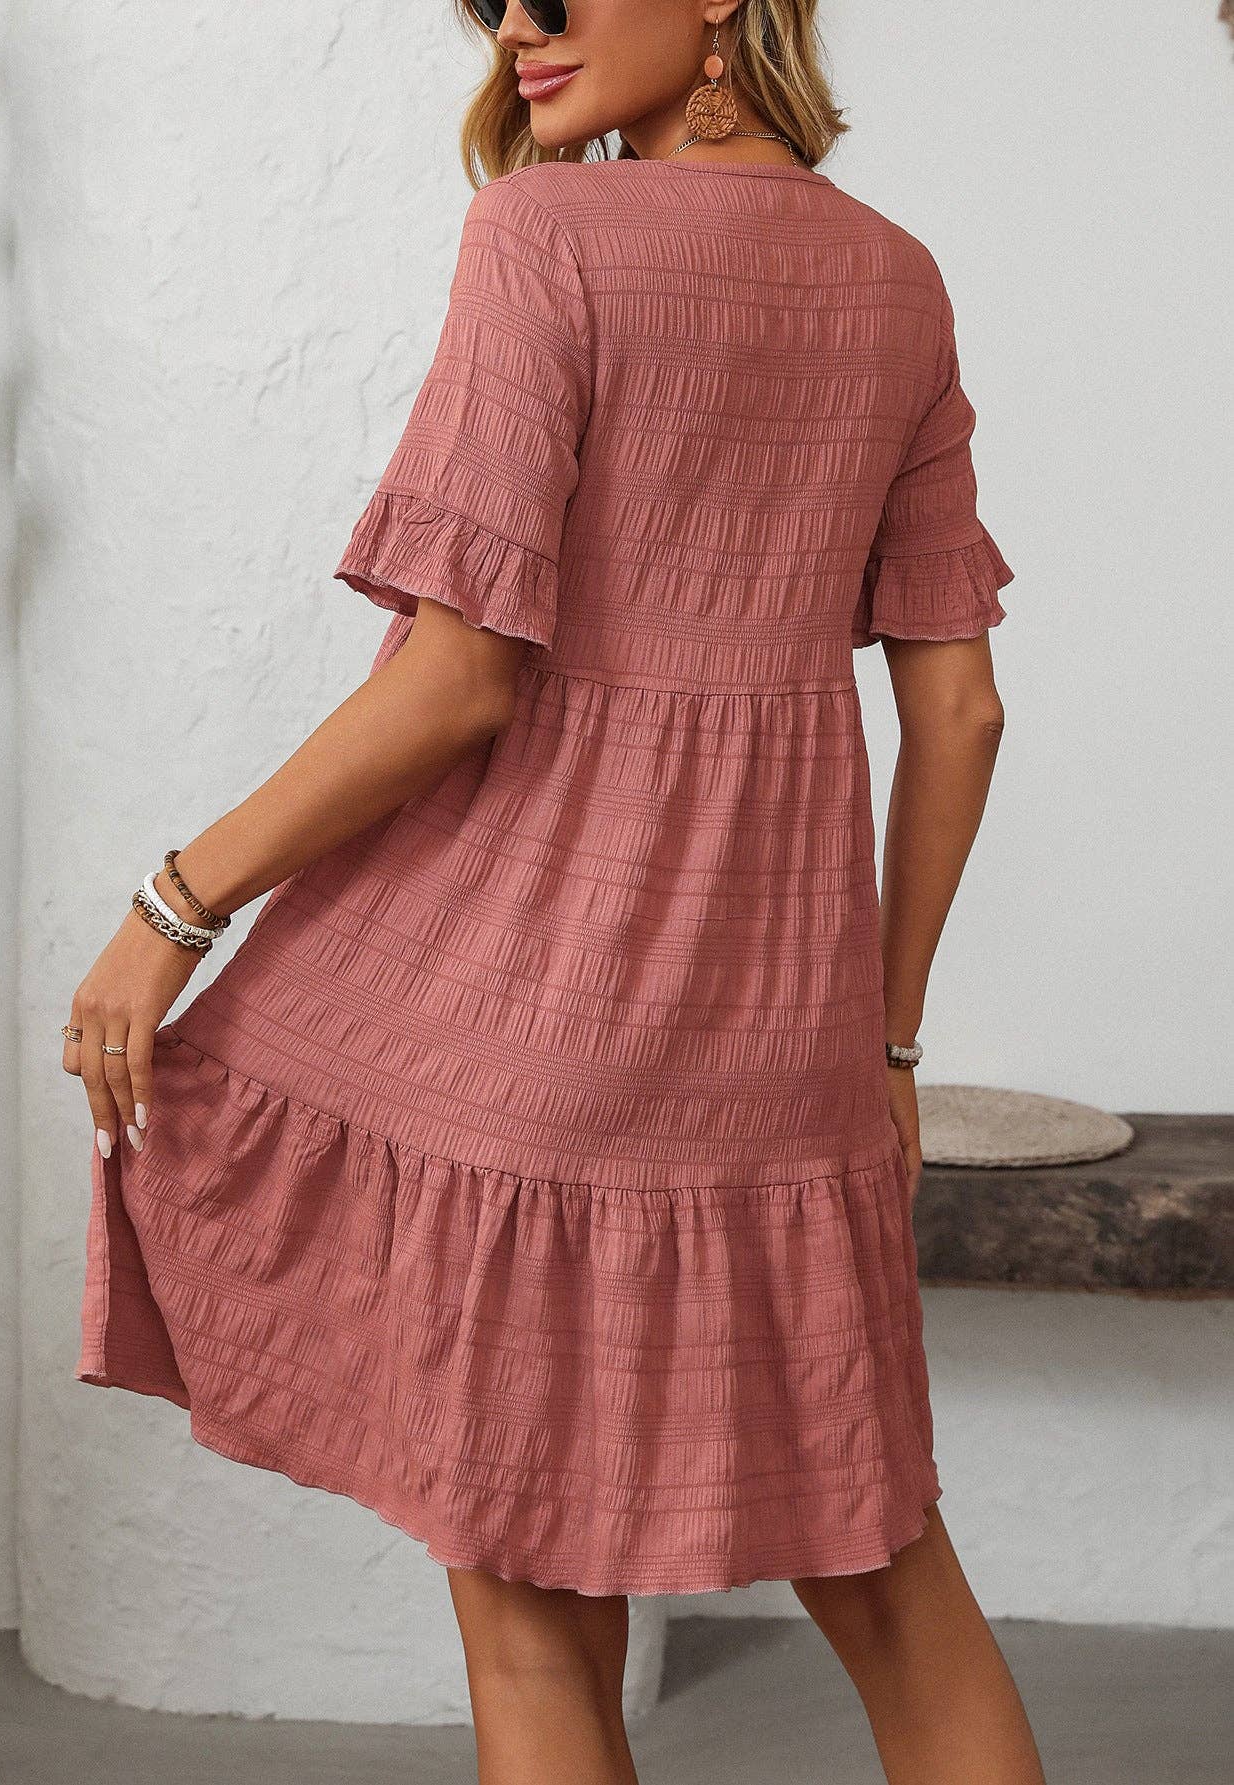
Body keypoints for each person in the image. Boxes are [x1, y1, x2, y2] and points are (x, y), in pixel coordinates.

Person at [65, 2, 1045, 1780]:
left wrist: (174, 904)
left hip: (540, 1029)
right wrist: (884, 1050)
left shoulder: (545, 232)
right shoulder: (900, 280)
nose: (522, 20)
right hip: (782, 1050)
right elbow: (960, 707)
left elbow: (457, 680)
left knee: (532, 1640)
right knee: (895, 1583)